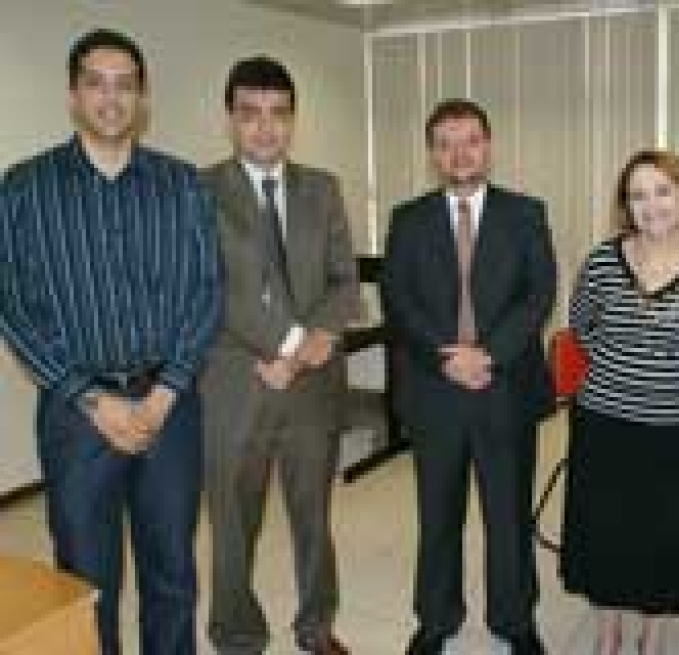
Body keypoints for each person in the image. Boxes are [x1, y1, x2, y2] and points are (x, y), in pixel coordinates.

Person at [0, 29, 221, 654]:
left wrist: (164, 393)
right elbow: (13, 304)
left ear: (143, 98)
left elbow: (206, 291)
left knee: (172, 570)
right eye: (96, 83)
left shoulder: (183, 185)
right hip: (76, 415)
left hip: (169, 408)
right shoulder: (24, 188)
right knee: (84, 578)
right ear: (73, 95)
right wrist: (93, 399)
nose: (111, 97)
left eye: (125, 85)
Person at [380, 98, 557, 655]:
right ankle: (436, 619)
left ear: (488, 146)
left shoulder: (525, 213)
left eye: (471, 141)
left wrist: (489, 355)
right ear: (432, 153)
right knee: (438, 515)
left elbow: (539, 294)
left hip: (505, 388)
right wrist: (447, 357)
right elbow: (398, 299)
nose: (460, 153)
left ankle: (515, 620)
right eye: (446, 143)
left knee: (508, 515)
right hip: (435, 390)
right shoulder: (407, 219)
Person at [200, 55, 359, 655]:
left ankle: (317, 624)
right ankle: (236, 631)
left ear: (294, 119)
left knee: (313, 516)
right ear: (230, 120)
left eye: (279, 114)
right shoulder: (200, 191)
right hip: (237, 381)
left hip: (313, 384)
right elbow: (208, 288)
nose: (266, 128)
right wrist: (287, 345)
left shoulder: (323, 188)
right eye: (251, 114)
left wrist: (312, 342)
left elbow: (344, 282)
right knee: (233, 522)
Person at [561, 149, 679, 654]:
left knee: (669, 540)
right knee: (606, 535)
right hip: (606, 427)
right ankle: (609, 632)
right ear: (626, 206)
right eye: (637, 195)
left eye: (663, 192)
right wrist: (629, 366)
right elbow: (581, 326)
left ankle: (653, 637)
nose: (650, 205)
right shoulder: (602, 260)